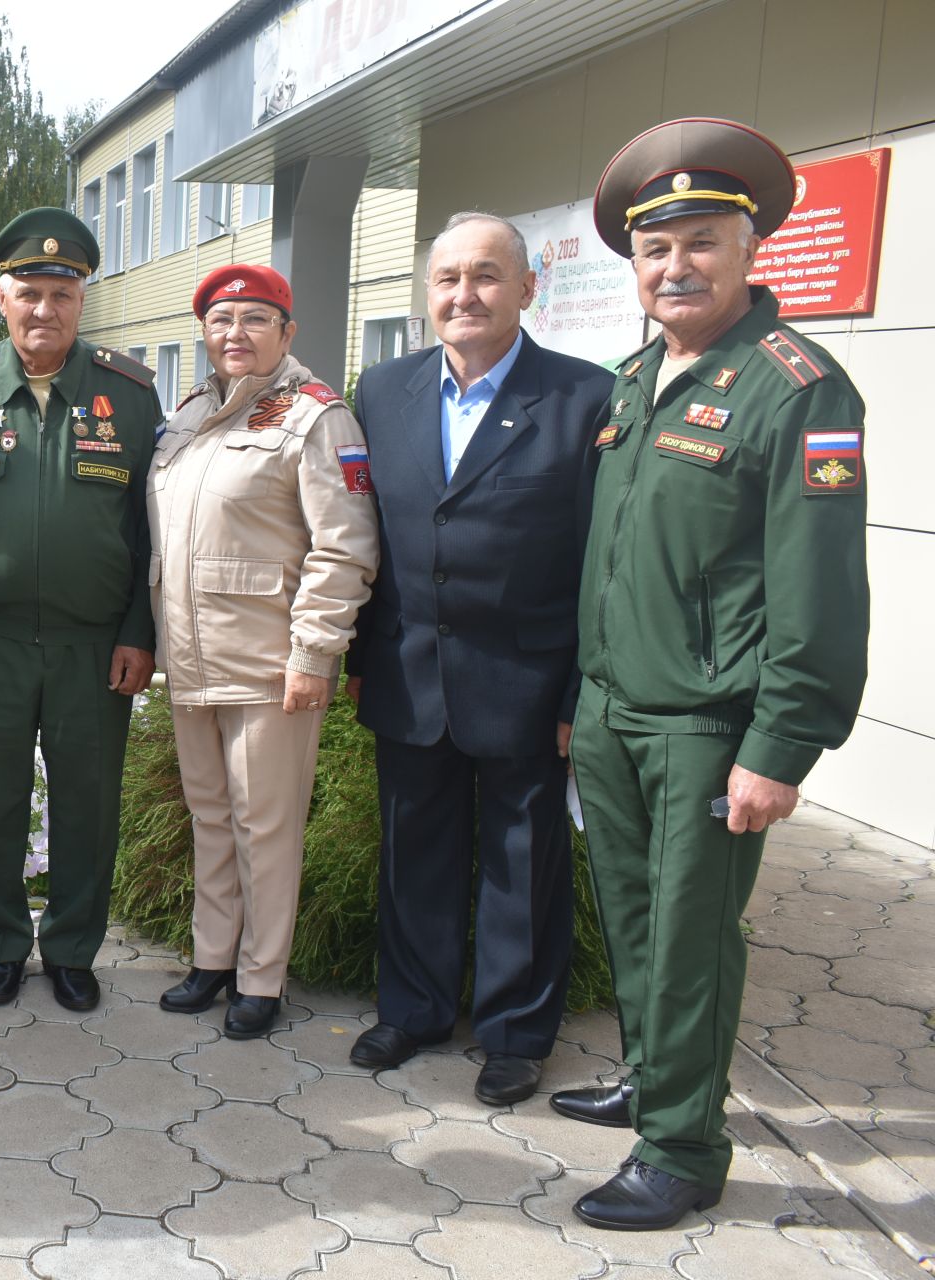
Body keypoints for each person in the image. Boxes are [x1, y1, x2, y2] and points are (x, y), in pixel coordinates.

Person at [556, 118, 869, 1231]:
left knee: (691, 940)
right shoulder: (637, 379)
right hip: (612, 713)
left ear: (747, 250)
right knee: (636, 920)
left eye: (700, 241)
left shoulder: (796, 389)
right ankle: (653, 1080)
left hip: (707, 727)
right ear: (634, 266)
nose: (675, 266)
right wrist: (581, 702)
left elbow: (821, 593)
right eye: (656, 249)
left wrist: (780, 748)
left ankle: (685, 1147)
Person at [343, 213, 613, 1104]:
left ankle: (514, 1033)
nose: (465, 294)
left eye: (487, 276)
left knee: (522, 864)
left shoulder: (584, 400)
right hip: (411, 671)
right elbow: (361, 536)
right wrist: (353, 656)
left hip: (528, 680)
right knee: (413, 851)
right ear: (428, 296)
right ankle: (415, 1009)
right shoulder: (382, 392)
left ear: (528, 289)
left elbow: (598, 559)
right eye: (448, 278)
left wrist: (581, 688)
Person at [0, 207, 161, 1011]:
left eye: (62, 291)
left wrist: (136, 633)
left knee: (88, 803)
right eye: (29, 291)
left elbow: (148, 531)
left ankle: (73, 948)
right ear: (2, 296)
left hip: (96, 645)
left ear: (83, 297)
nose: (44, 308)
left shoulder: (128, 396)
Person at [147, 265, 379, 1039]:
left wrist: (315, 654)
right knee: (211, 816)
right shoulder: (187, 416)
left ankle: (261, 978)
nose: (234, 334)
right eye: (221, 321)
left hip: (268, 663)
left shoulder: (316, 417)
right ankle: (213, 960)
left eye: (253, 319)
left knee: (264, 825)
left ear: (287, 332)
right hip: (190, 658)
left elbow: (345, 545)